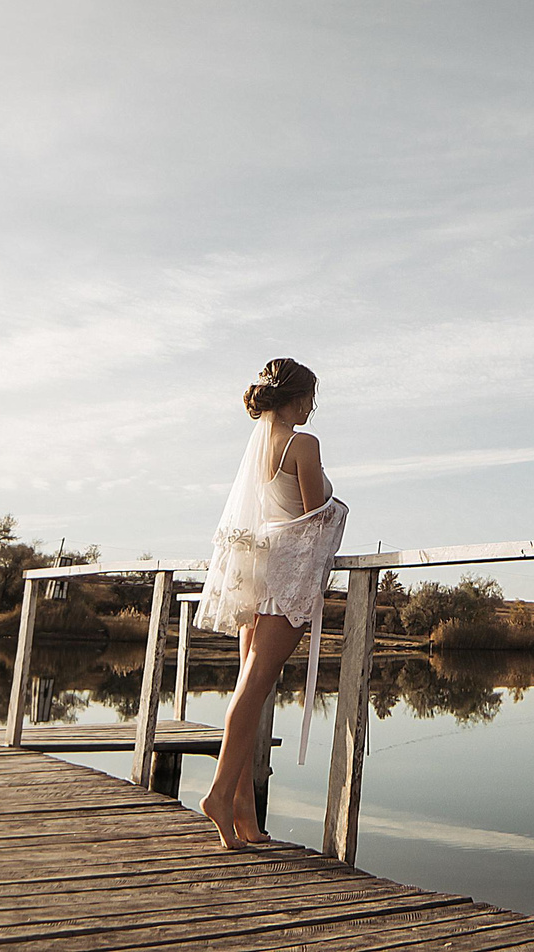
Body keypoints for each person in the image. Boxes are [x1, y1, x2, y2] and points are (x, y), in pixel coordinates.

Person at [193, 357, 346, 850]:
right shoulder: (303, 445)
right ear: (296, 398)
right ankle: (219, 795)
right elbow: (313, 517)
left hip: (256, 572)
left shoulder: (259, 447)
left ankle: (243, 811)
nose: (311, 409)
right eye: (310, 399)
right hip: (284, 579)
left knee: (248, 688)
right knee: (255, 685)